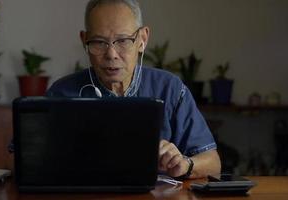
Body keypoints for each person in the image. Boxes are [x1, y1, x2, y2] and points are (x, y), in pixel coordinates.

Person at [47, 0, 221, 179]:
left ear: (142, 40)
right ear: (84, 40)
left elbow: (213, 163)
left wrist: (185, 164)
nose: (111, 54)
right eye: (99, 42)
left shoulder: (169, 89)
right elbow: (19, 157)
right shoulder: (61, 94)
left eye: (123, 41)